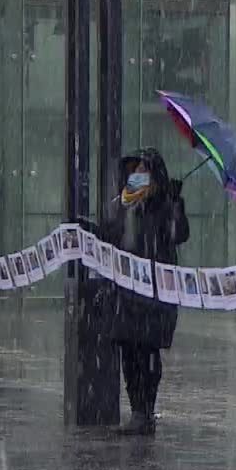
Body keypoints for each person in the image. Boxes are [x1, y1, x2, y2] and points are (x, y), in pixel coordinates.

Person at [96, 148, 189, 435]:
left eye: (144, 170)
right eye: (135, 170)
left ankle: (145, 411)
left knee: (147, 353)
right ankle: (137, 410)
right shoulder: (123, 205)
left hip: (153, 296)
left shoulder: (164, 206)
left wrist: (175, 203)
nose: (138, 176)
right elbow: (107, 236)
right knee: (129, 353)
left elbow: (178, 235)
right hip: (125, 294)